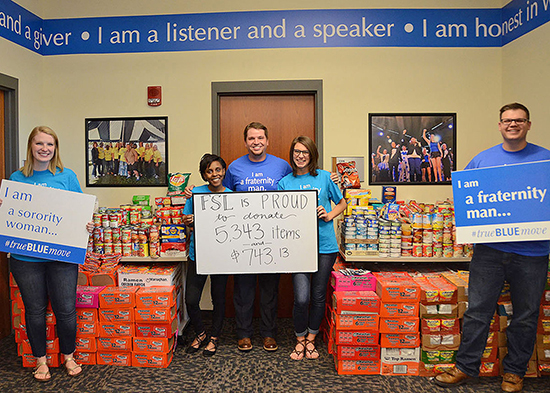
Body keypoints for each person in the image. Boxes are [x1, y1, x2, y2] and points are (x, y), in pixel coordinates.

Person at [434, 103, 550, 393]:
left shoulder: (544, 161)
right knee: (477, 311)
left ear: (528, 124)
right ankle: (465, 367)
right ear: (499, 125)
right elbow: (468, 200)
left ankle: (514, 373)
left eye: (519, 120)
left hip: (532, 252)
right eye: (507, 120)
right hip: (489, 252)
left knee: (525, 315)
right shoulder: (482, 161)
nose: (513, 124)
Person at [0, 126, 93, 382]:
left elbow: (79, 212)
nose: (45, 149)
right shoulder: (16, 179)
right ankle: (40, 361)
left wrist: (87, 224)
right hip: (26, 259)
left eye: (50, 144)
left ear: (56, 148)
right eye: (39, 143)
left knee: (65, 309)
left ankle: (68, 356)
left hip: (61, 257)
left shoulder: (66, 176)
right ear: (31, 146)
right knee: (35, 310)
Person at [278, 136, 347, 360]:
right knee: (301, 298)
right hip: (298, 247)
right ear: (292, 154)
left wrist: (328, 215)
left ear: (312, 155)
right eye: (297, 151)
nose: (300, 155)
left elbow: (343, 202)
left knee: (318, 295)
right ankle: (299, 338)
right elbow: (277, 215)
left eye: (305, 152)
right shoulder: (285, 183)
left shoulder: (326, 177)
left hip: (325, 246)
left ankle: (311, 339)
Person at [183, 154, 231, 357]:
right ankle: (201, 333)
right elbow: (187, 223)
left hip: (221, 256)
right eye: (209, 171)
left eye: (218, 169)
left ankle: (214, 337)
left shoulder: (232, 195)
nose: (214, 174)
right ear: (204, 174)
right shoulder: (195, 194)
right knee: (191, 299)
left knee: (218, 299)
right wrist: (189, 220)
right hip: (198, 254)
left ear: (224, 171)